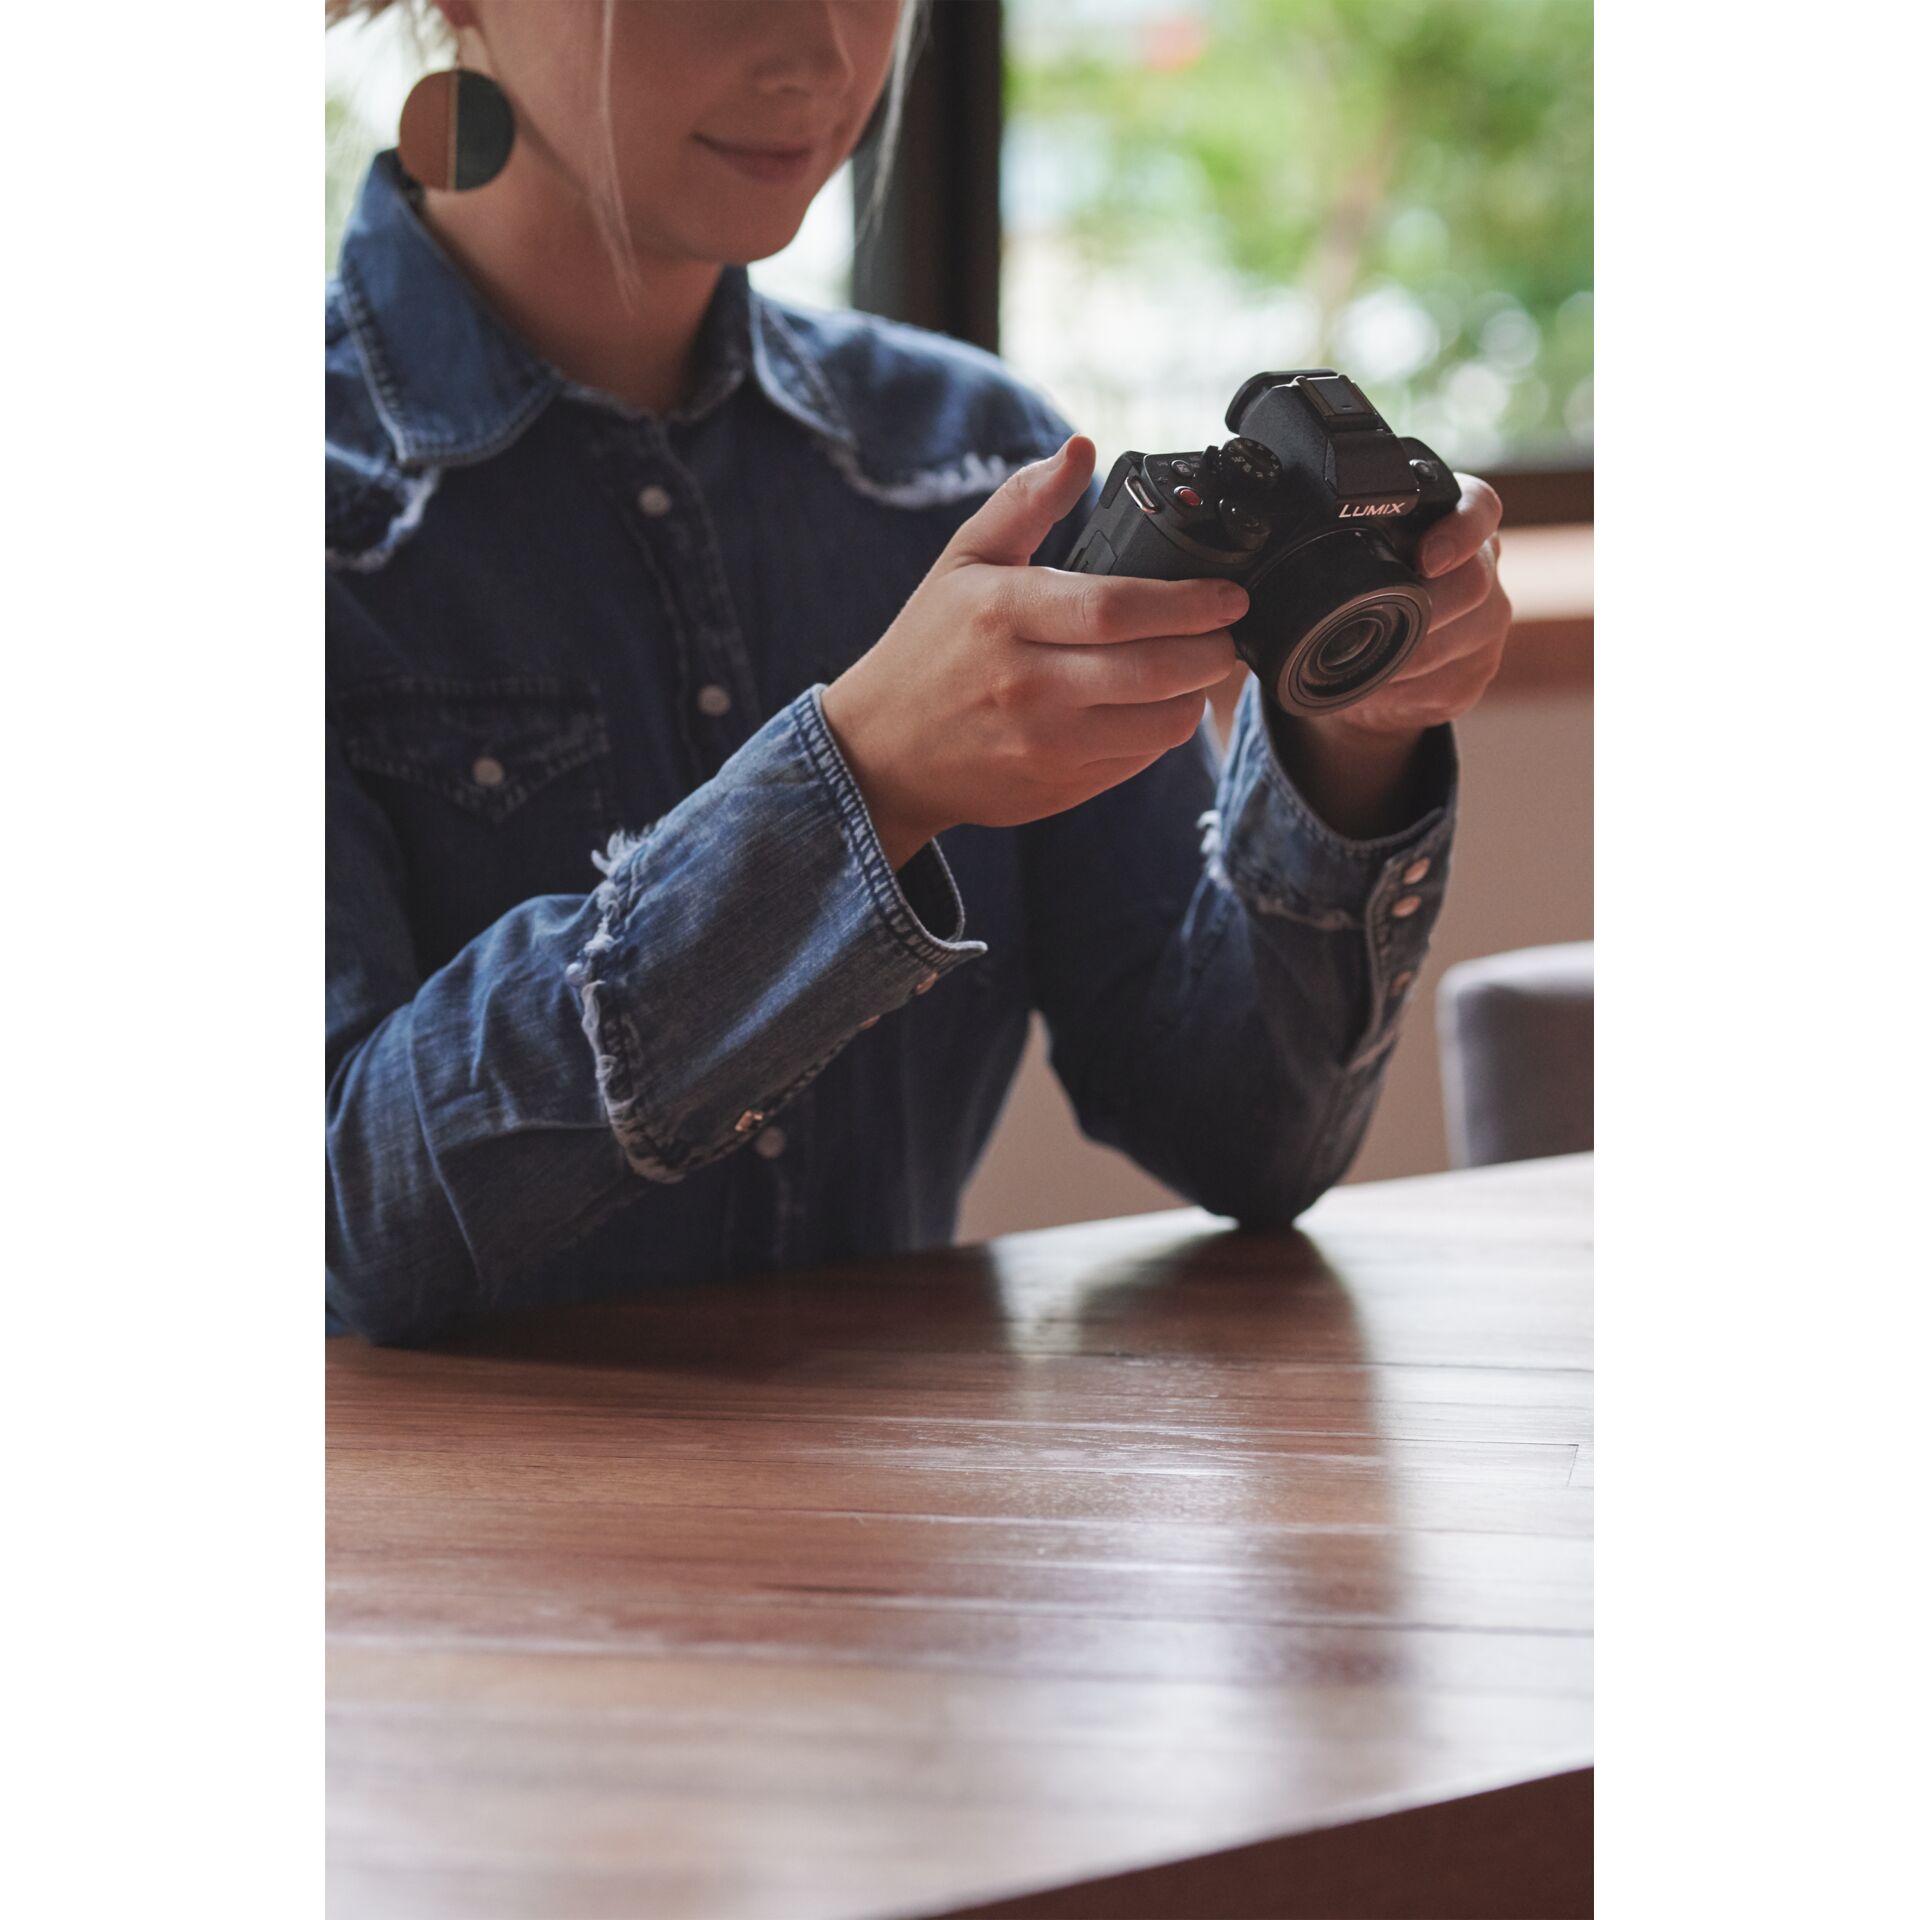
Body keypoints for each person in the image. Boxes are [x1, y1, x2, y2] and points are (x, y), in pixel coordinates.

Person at [325, 0, 1511, 1345]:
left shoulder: (962, 460)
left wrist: (1348, 734)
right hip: (413, 1548)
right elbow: (341, 1231)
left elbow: (1246, 1133)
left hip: (893, 1535)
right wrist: (858, 785)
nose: (822, 60)